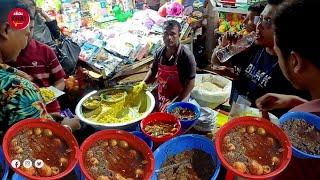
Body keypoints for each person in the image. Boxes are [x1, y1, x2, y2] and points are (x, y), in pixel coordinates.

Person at [256, 1, 320, 179]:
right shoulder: (307, 108)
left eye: (278, 52)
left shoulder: (298, 153)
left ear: (295, 62)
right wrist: (297, 102)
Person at [211, 0, 309, 116]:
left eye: (268, 21)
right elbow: (216, 61)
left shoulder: (292, 67)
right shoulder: (253, 46)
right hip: (238, 115)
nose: (258, 26)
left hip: (263, 128)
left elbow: (306, 109)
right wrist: (224, 46)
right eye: (260, 19)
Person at [0, 0, 79, 141]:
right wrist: (67, 128)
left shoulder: (12, 73)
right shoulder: (18, 88)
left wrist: (44, 117)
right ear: (6, 30)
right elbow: (38, 144)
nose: (27, 40)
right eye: (24, 34)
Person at [15, 5, 66, 114]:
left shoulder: (45, 51)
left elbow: (61, 82)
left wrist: (47, 95)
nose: (27, 33)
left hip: (50, 109)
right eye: (22, 28)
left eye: (31, 28)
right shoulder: (8, 56)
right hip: (22, 113)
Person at [143, 20, 196, 111]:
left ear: (179, 34)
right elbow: (153, 71)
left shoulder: (186, 56)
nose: (169, 38)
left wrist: (177, 103)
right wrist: (142, 84)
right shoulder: (159, 52)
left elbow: (191, 84)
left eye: (172, 34)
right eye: (165, 34)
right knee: (146, 108)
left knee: (169, 117)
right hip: (162, 91)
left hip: (179, 94)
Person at [211, 2, 266, 78]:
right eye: (245, 18)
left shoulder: (264, 52)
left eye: (249, 19)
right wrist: (223, 44)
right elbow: (216, 62)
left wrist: (231, 75)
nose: (244, 22)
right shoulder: (247, 43)